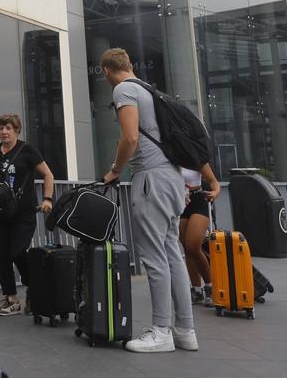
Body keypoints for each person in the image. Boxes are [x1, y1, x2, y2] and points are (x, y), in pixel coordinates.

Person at [100, 48, 198, 353]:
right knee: (172, 254)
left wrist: (115, 170)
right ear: (129, 65)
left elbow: (130, 137)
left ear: (106, 70)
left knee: (154, 257)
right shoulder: (149, 90)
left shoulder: (123, 90)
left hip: (151, 179)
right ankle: (185, 330)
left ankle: (160, 331)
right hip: (171, 177)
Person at [0, 114, 55, 316]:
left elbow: (48, 174)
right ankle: (11, 299)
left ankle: (32, 286)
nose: (4, 132)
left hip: (23, 213)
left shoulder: (27, 150)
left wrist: (47, 199)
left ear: (17, 130)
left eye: (8, 128)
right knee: (1, 258)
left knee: (17, 251)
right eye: (1, 128)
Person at [179, 163, 220, 305]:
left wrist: (214, 193)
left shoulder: (196, 157)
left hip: (198, 200)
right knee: (187, 248)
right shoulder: (171, 157)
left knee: (193, 245)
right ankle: (196, 289)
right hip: (180, 201)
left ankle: (210, 286)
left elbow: (214, 182)